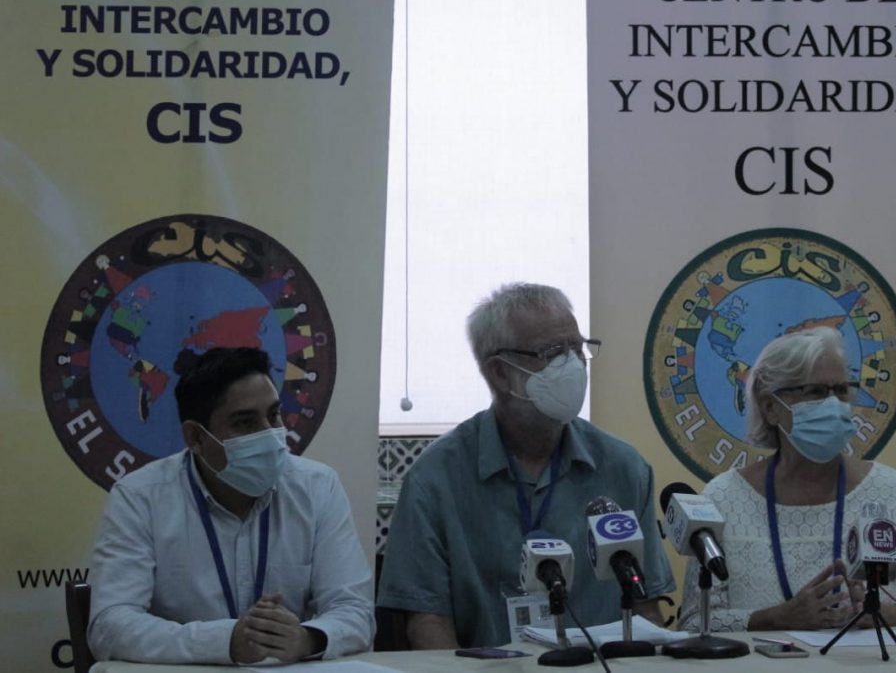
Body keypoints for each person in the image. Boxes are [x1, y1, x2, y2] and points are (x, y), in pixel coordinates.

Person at [376, 283, 675, 649]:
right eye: (552, 352)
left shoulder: (624, 469)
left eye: (577, 348)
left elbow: (646, 608)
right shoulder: (435, 478)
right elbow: (426, 620)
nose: (573, 364)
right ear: (500, 373)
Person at [87, 347, 375, 663]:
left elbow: (355, 611)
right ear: (195, 438)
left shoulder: (318, 487)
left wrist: (307, 638)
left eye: (273, 415)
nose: (270, 435)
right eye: (245, 423)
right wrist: (225, 641)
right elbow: (109, 626)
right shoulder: (140, 498)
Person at [679, 327, 896, 632]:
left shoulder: (889, 489)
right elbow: (694, 622)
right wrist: (776, 618)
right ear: (771, 408)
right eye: (816, 392)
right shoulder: (724, 497)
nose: (834, 404)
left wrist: (881, 613)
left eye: (842, 390)